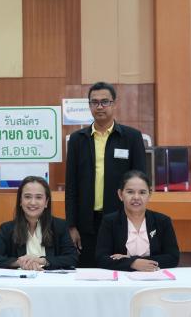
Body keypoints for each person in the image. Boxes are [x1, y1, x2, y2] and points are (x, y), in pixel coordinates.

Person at [65, 81, 146, 267]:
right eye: (94, 102)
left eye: (105, 102)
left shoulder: (131, 137)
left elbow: (140, 182)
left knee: (120, 270)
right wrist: (71, 225)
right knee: (88, 271)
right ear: (89, 106)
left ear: (114, 104)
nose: (99, 106)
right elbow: (71, 186)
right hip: (86, 222)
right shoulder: (78, 140)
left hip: (121, 219)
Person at [0, 176, 78, 270]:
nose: (33, 202)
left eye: (38, 197)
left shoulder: (59, 226)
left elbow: (72, 258)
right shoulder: (7, 228)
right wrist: (19, 262)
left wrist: (42, 261)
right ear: (20, 201)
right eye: (27, 197)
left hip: (49, 278)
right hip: (20, 279)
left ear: (46, 202)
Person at [95, 170, 179, 271]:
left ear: (149, 195)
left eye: (142, 192)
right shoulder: (110, 221)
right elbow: (101, 258)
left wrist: (132, 261)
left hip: (155, 276)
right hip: (122, 278)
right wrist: (133, 264)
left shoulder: (163, 221)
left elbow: (173, 257)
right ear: (120, 194)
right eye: (130, 192)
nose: (136, 197)